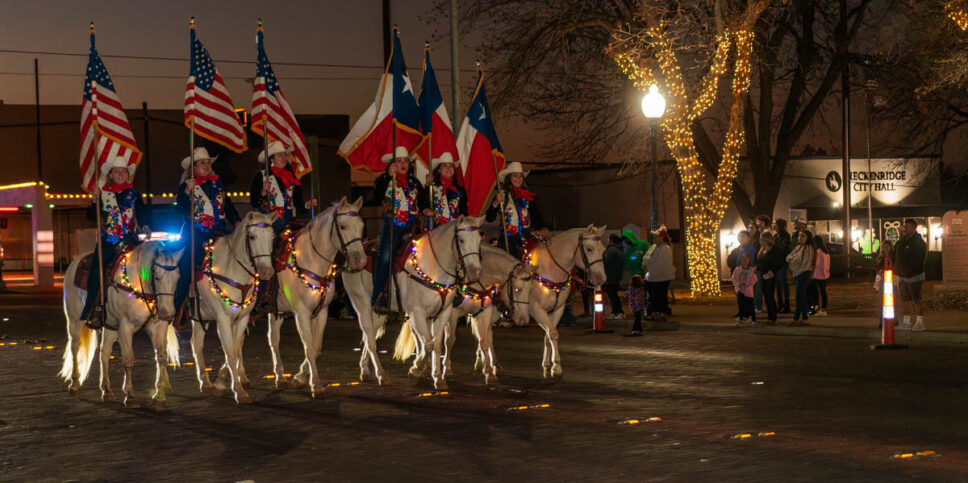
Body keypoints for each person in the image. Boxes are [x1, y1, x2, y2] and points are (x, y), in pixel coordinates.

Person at [80, 156, 150, 329]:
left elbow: (143, 214)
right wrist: (94, 201)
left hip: (130, 240)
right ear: (110, 175)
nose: (120, 174)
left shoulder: (134, 194)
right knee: (97, 270)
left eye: (123, 171)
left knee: (152, 266)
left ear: (128, 175)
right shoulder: (102, 193)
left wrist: (146, 226)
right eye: (116, 171)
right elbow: (91, 216)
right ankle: (91, 309)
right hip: (108, 241)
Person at [173, 147, 241, 314]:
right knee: (187, 266)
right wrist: (187, 192)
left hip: (218, 231)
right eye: (202, 163)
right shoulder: (186, 186)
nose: (206, 165)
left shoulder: (217, 184)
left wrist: (236, 220)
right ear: (194, 167)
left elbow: (227, 205)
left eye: (208, 163)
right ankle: (178, 307)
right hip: (195, 233)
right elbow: (180, 209)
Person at [372, 147, 424, 310]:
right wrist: (388, 176)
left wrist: (427, 206)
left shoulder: (415, 182)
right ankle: (378, 296)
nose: (403, 164)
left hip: (413, 226)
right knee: (385, 258)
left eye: (405, 161)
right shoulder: (384, 180)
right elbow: (377, 197)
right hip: (393, 226)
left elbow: (423, 201)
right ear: (392, 164)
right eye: (399, 161)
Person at [249, 140, 317, 233]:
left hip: (288, 225)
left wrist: (307, 205)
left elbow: (298, 203)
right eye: (280, 155)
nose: (284, 157)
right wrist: (263, 192)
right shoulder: (262, 176)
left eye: (285, 155)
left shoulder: (291, 177)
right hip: (268, 225)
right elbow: (254, 202)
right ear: (272, 159)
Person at [486, 161, 545, 258]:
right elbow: (489, 218)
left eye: (520, 176)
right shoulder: (502, 195)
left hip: (527, 240)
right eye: (515, 176)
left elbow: (536, 216)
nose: (518, 179)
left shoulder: (528, 196)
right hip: (507, 241)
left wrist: (542, 228)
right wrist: (495, 203)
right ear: (509, 178)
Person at [893, 219, 927, 331]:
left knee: (916, 299)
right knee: (905, 300)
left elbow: (918, 259)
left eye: (907, 227)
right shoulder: (902, 241)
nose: (904, 229)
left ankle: (920, 322)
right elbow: (896, 253)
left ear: (914, 227)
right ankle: (906, 322)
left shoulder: (918, 242)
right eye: (904, 226)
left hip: (914, 276)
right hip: (902, 275)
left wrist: (908, 270)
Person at [421, 154, 468, 227]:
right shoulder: (431, 188)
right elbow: (423, 203)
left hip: (454, 228)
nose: (448, 168)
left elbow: (464, 213)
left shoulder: (460, 190)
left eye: (451, 166)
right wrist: (426, 209)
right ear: (439, 170)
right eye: (445, 166)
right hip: (435, 228)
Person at [642, 226, 675, 322]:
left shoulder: (665, 249)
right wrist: (645, 264)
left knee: (661, 296)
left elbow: (660, 262)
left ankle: (662, 313)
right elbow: (646, 258)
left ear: (662, 238)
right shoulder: (654, 247)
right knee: (653, 296)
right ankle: (654, 313)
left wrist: (647, 263)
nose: (655, 239)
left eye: (657, 237)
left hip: (662, 277)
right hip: (652, 277)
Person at [786, 229, 815, 326]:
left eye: (803, 236)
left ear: (808, 237)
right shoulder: (798, 247)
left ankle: (796, 317)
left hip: (804, 272)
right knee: (801, 295)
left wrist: (792, 259)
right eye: (799, 235)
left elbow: (798, 260)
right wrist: (792, 259)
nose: (800, 237)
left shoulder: (808, 248)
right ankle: (805, 315)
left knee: (798, 296)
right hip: (797, 273)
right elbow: (788, 258)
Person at [755, 231, 784, 325]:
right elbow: (761, 262)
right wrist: (757, 268)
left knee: (770, 295)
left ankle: (773, 316)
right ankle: (770, 316)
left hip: (770, 276)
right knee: (766, 295)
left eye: (762, 239)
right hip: (763, 275)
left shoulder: (774, 250)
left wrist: (772, 270)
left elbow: (779, 262)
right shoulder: (762, 250)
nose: (760, 241)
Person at [603, 233, 625, 319]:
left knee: (613, 296)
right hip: (616, 276)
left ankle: (618, 312)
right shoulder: (619, 249)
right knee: (614, 295)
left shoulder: (611, 250)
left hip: (611, 276)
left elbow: (606, 262)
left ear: (611, 241)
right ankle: (615, 311)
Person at [731, 253, 758, 325]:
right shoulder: (737, 269)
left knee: (750, 305)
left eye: (746, 259)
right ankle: (741, 318)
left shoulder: (751, 270)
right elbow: (734, 278)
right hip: (740, 290)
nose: (744, 261)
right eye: (743, 259)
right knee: (741, 305)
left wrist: (746, 284)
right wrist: (738, 285)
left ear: (749, 260)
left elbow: (754, 280)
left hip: (748, 291)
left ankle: (753, 319)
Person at [772, 218, 792, 313]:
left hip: (781, 263)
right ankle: (780, 305)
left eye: (775, 224)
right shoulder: (776, 236)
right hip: (776, 263)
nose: (773, 225)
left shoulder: (785, 236)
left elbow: (782, 249)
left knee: (783, 285)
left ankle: (786, 306)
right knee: (779, 285)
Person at [752, 215, 771, 312]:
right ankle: (757, 305)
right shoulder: (757, 234)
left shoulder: (766, 233)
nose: (758, 223)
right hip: (757, 262)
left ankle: (758, 305)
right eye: (757, 221)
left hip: (761, 263)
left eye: (760, 222)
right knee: (757, 285)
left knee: (759, 285)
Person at [875, 240, 896, 328]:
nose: (885, 249)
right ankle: (881, 321)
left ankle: (894, 321)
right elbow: (877, 271)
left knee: (891, 302)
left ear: (891, 247)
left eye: (887, 247)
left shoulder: (893, 258)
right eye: (884, 247)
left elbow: (895, 268)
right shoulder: (880, 257)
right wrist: (876, 284)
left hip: (891, 281)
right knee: (882, 302)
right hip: (882, 281)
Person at [808, 235, 830, 316]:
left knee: (813, 290)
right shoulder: (826, 252)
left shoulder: (818, 252)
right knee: (823, 292)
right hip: (825, 274)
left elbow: (816, 264)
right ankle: (823, 308)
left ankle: (816, 305)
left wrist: (811, 271)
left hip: (817, 275)